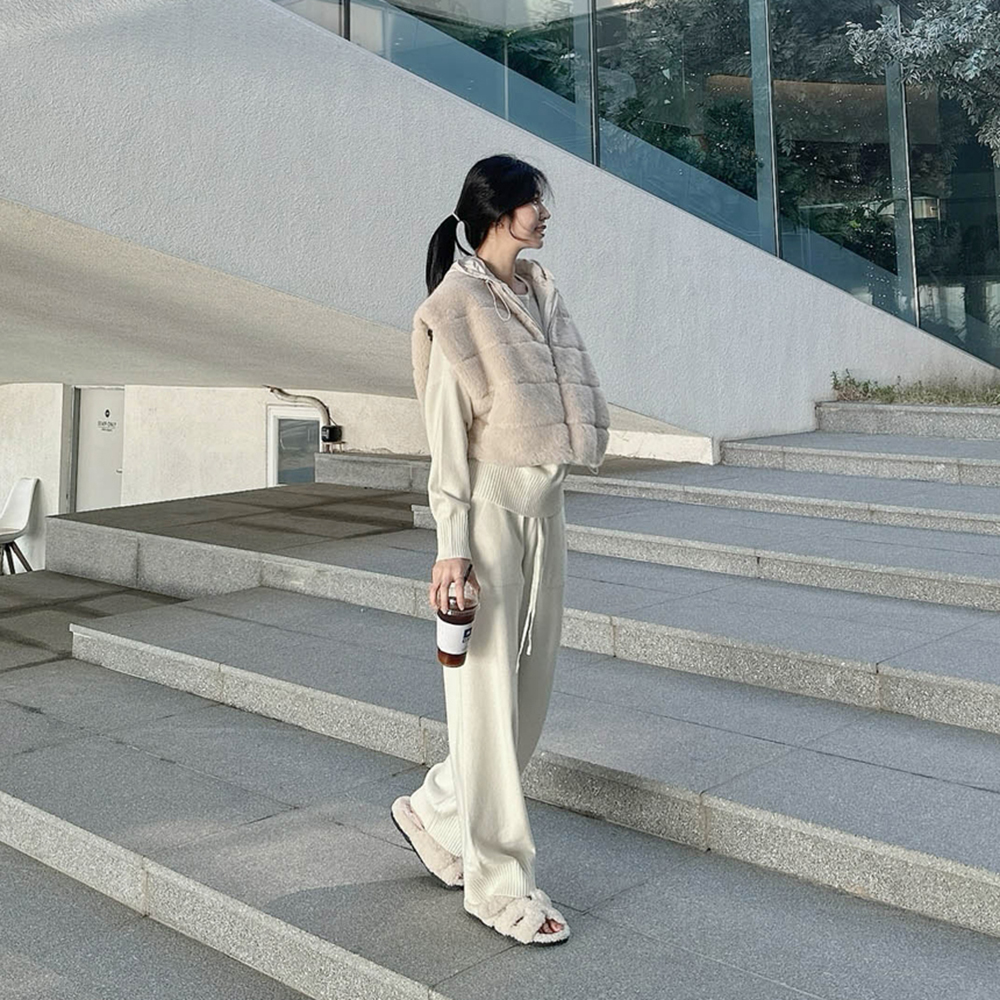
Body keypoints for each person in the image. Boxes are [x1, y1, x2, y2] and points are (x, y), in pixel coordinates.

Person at [391, 153, 609, 946]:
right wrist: (451, 548)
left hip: (546, 510)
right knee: (485, 698)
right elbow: (447, 440)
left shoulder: (541, 291)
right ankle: (499, 883)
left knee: (530, 694)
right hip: (485, 513)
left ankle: (436, 808)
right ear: (496, 210)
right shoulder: (455, 307)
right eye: (531, 202)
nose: (543, 214)